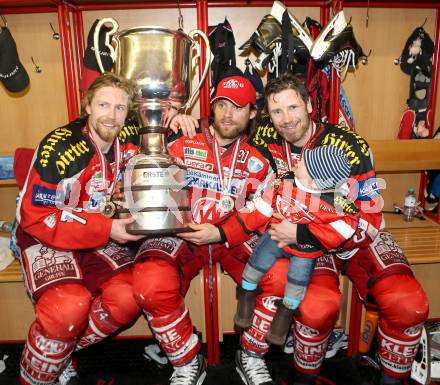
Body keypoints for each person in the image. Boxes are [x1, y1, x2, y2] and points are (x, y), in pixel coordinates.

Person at [170, 72, 429, 385]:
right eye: (277, 112)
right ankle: (302, 378)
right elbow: (226, 125)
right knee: (319, 307)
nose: (286, 119)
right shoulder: (265, 141)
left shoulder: (348, 144)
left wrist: (306, 234)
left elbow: (369, 220)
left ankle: (392, 379)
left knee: (408, 303)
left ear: (309, 105)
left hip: (348, 236)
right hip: (303, 243)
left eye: (293, 108)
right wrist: (176, 119)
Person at [131, 75, 277, 385]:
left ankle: (250, 355)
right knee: (149, 282)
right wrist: (165, 123)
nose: (227, 114)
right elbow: (136, 163)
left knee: (279, 277)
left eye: (238, 108)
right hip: (180, 237)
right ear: (210, 108)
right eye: (221, 105)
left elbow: (264, 210)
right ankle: (186, 359)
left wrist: (223, 233)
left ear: (253, 112)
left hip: (232, 238)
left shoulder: (260, 161)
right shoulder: (179, 140)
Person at [14, 73, 145, 385]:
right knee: (67, 309)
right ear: (87, 106)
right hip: (48, 234)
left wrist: (178, 116)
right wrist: (105, 228)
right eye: (103, 105)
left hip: (97, 235)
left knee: (130, 295)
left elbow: (165, 125)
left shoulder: (129, 137)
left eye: (120, 108)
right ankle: (36, 374)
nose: (111, 116)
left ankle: (55, 354)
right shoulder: (61, 147)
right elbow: (34, 216)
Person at [234, 145, 357, 347]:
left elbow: (345, 228)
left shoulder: (334, 202)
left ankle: (285, 314)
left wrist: (304, 234)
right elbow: (264, 203)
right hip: (277, 235)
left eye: (303, 163)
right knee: (259, 259)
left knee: (297, 279)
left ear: (316, 179)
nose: (297, 162)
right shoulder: (286, 181)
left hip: (305, 249)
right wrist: (243, 221)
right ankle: (246, 294)